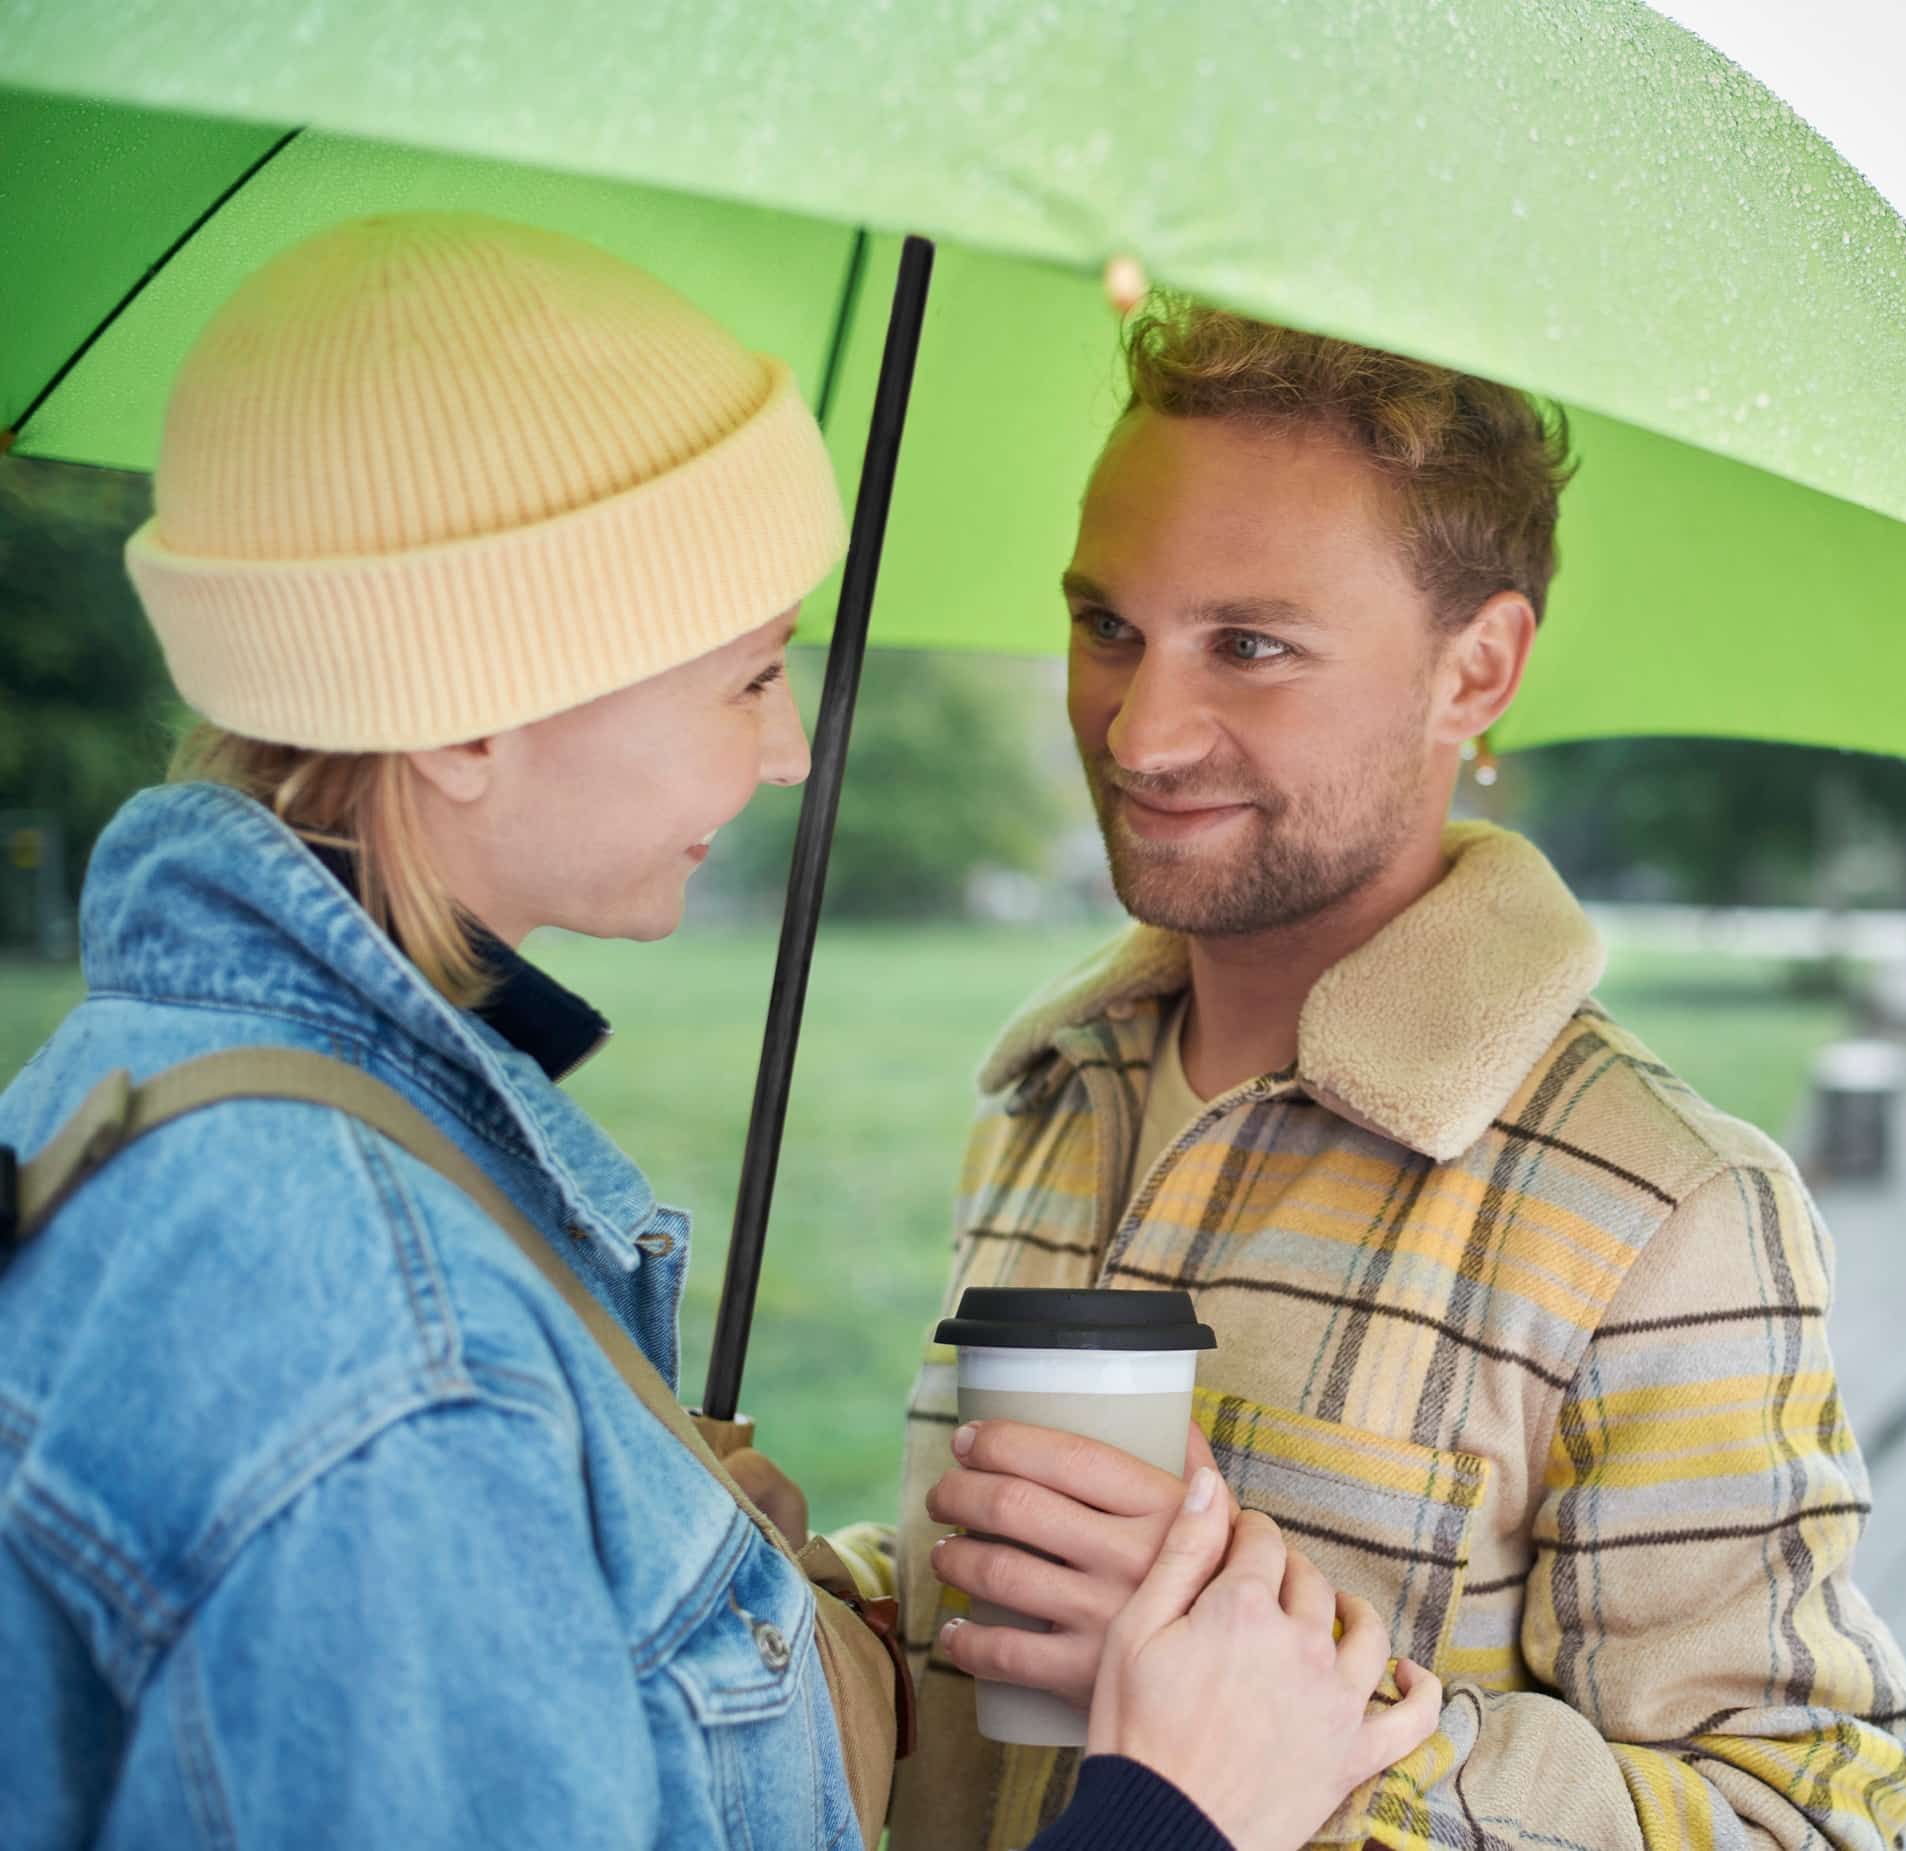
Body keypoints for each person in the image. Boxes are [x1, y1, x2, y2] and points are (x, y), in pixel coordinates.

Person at [0, 212, 1433, 1851]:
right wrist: (1175, 1812)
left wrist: (643, 1553)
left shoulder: (144, 1088)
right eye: (750, 675)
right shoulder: (395, 1362)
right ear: (470, 707)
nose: (790, 752)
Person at [873, 304, 1906, 1849]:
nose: (1142, 729)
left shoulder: (1670, 1217)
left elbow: (1806, 1820)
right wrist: (792, 1604)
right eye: (1109, 626)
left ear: (1476, 669)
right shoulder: (1056, 1093)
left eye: (1250, 646)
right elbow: (960, 1679)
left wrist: (1321, 1740)